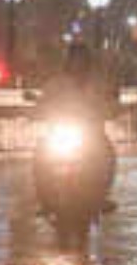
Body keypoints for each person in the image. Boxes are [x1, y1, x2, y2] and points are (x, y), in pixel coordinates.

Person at [37, 42, 117, 213]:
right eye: (74, 59)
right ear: (68, 61)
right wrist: (38, 109)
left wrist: (110, 108)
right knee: (40, 154)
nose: (77, 63)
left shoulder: (98, 84)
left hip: (91, 133)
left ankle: (102, 195)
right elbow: (44, 101)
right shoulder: (56, 83)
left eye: (81, 59)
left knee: (107, 153)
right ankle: (44, 198)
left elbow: (110, 101)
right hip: (60, 130)